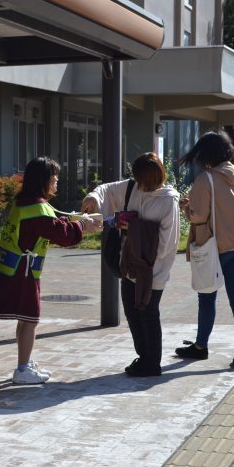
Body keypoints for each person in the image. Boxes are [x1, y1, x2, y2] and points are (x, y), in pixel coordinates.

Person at [0, 157, 101, 384]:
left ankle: (24, 363)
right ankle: (22, 369)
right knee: (30, 319)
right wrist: (83, 224)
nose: (57, 182)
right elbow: (62, 235)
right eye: (54, 178)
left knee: (25, 320)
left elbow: (52, 224)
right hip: (23, 271)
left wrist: (74, 220)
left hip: (13, 267)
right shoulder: (37, 207)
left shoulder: (23, 201)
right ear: (44, 180)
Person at [81, 153, 180, 377]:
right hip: (129, 264)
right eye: (137, 179)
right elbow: (107, 189)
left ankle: (152, 363)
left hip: (154, 270)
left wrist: (134, 230)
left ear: (155, 178)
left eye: (143, 180)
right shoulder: (132, 187)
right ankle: (143, 357)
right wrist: (94, 197)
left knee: (148, 312)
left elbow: (167, 243)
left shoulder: (168, 199)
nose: (139, 185)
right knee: (131, 310)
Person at [175, 131, 234, 370]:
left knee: (207, 295)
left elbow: (198, 216)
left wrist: (186, 206)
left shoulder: (206, 179)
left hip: (217, 245)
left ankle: (201, 347)